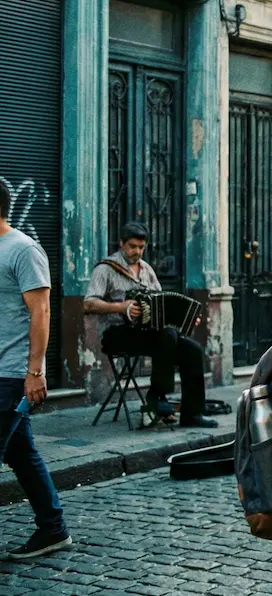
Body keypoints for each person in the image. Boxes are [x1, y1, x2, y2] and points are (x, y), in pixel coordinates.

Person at [84, 222, 217, 428]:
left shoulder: (147, 270)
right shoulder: (106, 269)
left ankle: (191, 414)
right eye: (132, 246)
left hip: (151, 335)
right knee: (167, 336)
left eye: (141, 247)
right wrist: (122, 307)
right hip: (116, 335)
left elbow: (163, 305)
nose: (137, 251)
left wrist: (186, 318)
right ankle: (157, 398)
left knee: (192, 350)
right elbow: (88, 304)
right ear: (121, 243)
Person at [0, 179, 71, 560]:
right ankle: (53, 529)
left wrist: (35, 372)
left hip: (10, 374)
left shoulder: (24, 249)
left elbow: (40, 312)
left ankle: (53, 528)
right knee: (21, 454)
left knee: (17, 452)